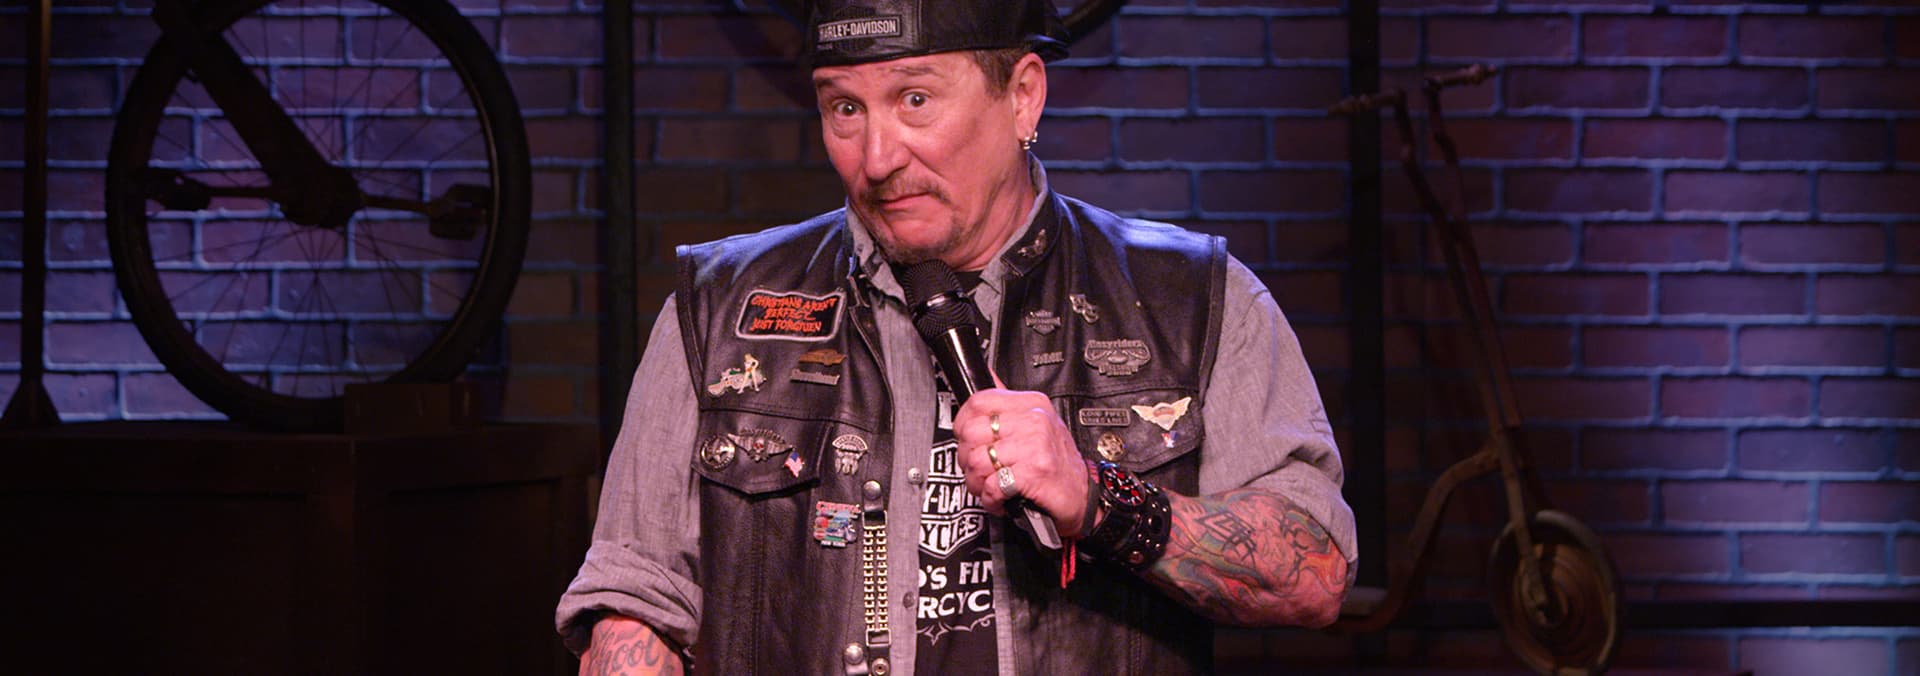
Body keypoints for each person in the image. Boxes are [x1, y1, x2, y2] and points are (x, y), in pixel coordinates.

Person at [556, 1, 1356, 673]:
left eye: (915, 100)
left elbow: (1315, 573)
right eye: (844, 109)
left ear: (1023, 97)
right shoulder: (721, 308)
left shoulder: (1192, 298)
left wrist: (1099, 501)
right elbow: (636, 599)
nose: (877, 158)